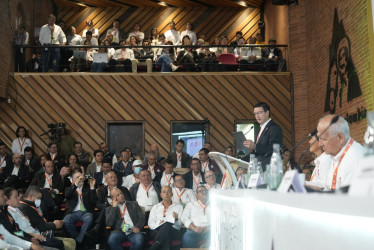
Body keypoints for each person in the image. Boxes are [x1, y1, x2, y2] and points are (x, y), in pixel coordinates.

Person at [317, 115, 364, 190]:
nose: (320, 144)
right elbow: (327, 186)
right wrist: (305, 185)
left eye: (324, 139)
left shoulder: (355, 157)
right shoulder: (337, 154)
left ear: (340, 138)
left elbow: (349, 198)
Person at [243, 102, 283, 169]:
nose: (257, 116)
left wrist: (255, 146)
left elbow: (274, 148)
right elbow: (257, 152)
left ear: (267, 113)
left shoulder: (274, 128)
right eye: (255, 114)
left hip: (269, 168)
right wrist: (237, 161)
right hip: (259, 167)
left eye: (259, 113)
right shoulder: (260, 129)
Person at [63, 171, 96, 245]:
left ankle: (77, 241)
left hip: (85, 213)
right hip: (73, 213)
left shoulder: (87, 188)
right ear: (73, 180)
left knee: (89, 218)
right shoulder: (69, 189)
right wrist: (76, 184)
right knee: (67, 220)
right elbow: (67, 195)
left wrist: (92, 187)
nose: (80, 179)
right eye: (77, 177)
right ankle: (78, 239)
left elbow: (93, 201)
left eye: (81, 177)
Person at [148, 186, 183, 250]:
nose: (166, 193)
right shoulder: (155, 207)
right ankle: (157, 244)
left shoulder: (179, 207)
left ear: (172, 194)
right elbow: (150, 224)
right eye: (164, 192)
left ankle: (155, 245)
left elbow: (179, 225)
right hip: (157, 230)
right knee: (165, 233)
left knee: (167, 225)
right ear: (161, 195)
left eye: (168, 191)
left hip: (173, 231)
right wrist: (159, 223)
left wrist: (177, 219)